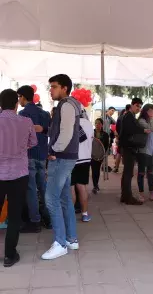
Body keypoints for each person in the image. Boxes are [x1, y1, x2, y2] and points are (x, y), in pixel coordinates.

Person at [42, 74, 81, 260]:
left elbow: (66, 133)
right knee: (64, 198)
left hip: (62, 158)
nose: (51, 90)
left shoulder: (65, 105)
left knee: (51, 198)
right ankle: (71, 239)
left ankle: (60, 242)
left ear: (65, 88)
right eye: (50, 86)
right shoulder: (72, 104)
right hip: (67, 157)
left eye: (54, 86)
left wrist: (54, 151)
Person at [0, 89, 37, 267]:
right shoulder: (26, 121)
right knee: (15, 216)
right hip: (19, 174)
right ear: (16, 104)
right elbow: (33, 143)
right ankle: (9, 255)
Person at [17, 85, 51, 233]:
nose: (19, 100)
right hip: (42, 155)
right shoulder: (45, 114)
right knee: (43, 187)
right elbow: (49, 132)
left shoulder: (22, 114)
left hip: (29, 155)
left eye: (19, 97)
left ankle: (35, 221)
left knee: (31, 189)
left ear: (23, 97)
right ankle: (48, 219)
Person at [119, 97, 150, 205]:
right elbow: (131, 130)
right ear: (132, 105)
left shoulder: (130, 116)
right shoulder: (128, 116)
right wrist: (143, 130)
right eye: (137, 106)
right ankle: (128, 197)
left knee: (127, 173)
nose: (138, 108)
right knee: (128, 173)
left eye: (140, 107)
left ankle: (125, 196)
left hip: (128, 147)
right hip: (128, 148)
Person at [70, 108, 94, 222]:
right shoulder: (89, 124)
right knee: (82, 187)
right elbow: (91, 140)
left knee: (71, 188)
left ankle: (70, 216)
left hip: (72, 159)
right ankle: (85, 214)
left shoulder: (70, 122)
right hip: (86, 159)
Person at [137, 104, 153, 202]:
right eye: (151, 111)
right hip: (143, 150)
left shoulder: (151, 120)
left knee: (151, 172)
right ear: (145, 111)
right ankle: (141, 193)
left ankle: (151, 191)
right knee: (141, 172)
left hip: (152, 150)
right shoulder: (141, 121)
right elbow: (152, 129)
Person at [91, 118, 110, 194]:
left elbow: (106, 146)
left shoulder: (105, 134)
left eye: (99, 123)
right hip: (92, 155)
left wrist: (102, 154)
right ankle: (95, 185)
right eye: (96, 123)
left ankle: (96, 185)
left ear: (102, 125)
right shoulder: (91, 133)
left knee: (97, 170)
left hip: (100, 156)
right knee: (93, 170)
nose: (97, 125)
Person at [113, 104, 131, 173]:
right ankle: (126, 169)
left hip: (121, 138)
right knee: (125, 154)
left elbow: (117, 128)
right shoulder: (129, 117)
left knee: (119, 153)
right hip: (127, 138)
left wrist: (117, 137)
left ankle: (116, 167)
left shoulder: (120, 117)